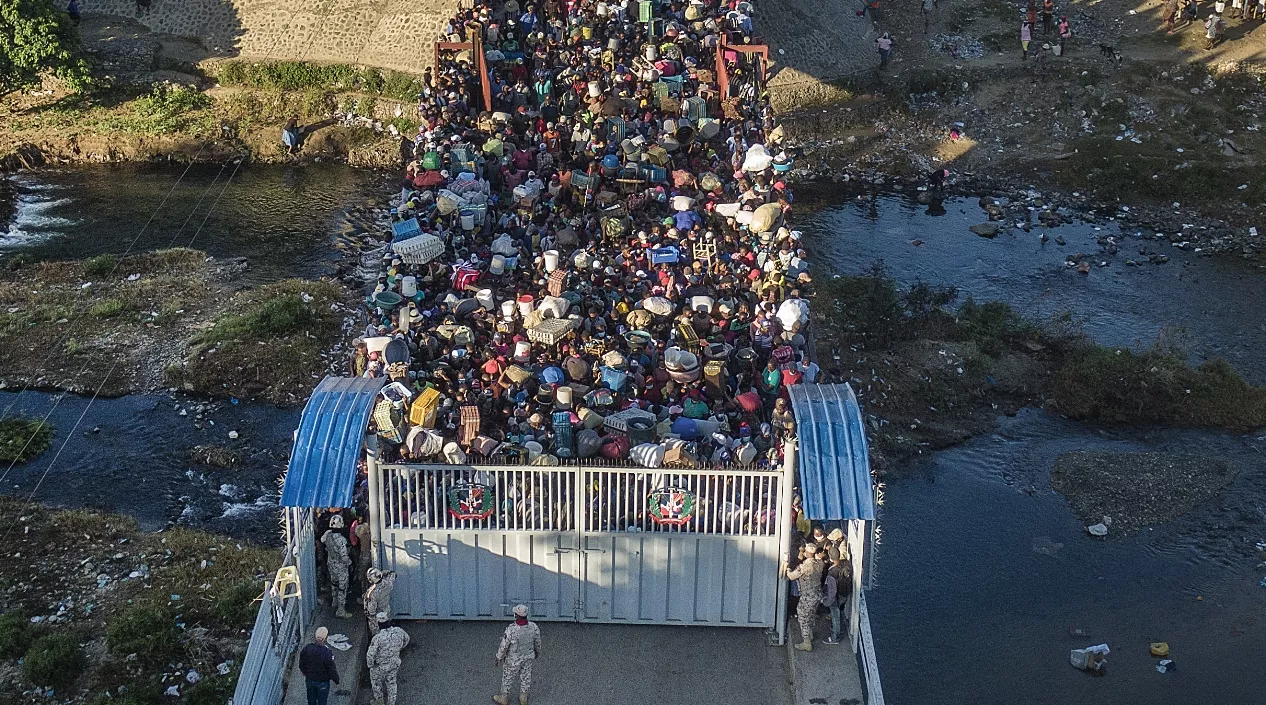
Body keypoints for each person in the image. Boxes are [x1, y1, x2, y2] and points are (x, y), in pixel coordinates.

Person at [495, 604, 542, 705]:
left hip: (513, 659)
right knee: (526, 677)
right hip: (528, 657)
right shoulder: (534, 627)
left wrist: (499, 657)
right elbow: (537, 642)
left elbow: (504, 646)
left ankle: (504, 698)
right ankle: (523, 698)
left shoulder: (511, 630)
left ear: (516, 616)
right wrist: (537, 652)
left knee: (507, 677)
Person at [785, 543, 824, 651]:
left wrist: (787, 568)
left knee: (802, 616)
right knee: (811, 614)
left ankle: (806, 642)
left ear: (807, 552)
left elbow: (792, 576)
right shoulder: (820, 563)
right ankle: (810, 633)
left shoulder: (804, 566)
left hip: (808, 594)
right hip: (818, 593)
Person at [367, 613, 411, 705]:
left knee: (376, 683)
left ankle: (379, 701)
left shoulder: (377, 638)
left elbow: (370, 654)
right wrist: (400, 648)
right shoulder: (399, 631)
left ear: (378, 624)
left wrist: (370, 665)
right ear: (388, 621)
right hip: (394, 662)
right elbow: (407, 639)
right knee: (391, 682)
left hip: (380, 666)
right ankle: (391, 702)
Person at [321, 514, 353, 618]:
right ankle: (341, 610)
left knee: (334, 584)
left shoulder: (328, 536)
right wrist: (350, 562)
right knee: (342, 588)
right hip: (341, 566)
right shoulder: (341, 540)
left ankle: (334, 602)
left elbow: (322, 540)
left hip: (331, 564)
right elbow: (344, 556)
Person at [299, 627, 340, 705]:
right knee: (322, 701)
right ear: (325, 638)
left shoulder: (307, 648)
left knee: (311, 700)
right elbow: (331, 669)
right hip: (322, 682)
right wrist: (336, 680)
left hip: (310, 679)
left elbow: (302, 661)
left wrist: (304, 671)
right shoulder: (327, 653)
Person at [821, 548, 853, 645]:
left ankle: (835, 637)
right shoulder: (846, 564)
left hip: (836, 596)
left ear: (830, 557)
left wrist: (826, 601)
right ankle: (840, 629)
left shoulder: (832, 573)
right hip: (845, 593)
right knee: (841, 612)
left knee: (835, 616)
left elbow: (832, 590)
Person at [364, 567, 398, 637]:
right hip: (386, 609)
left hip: (377, 615)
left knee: (377, 634)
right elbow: (393, 574)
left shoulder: (372, 593)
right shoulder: (388, 582)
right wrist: (383, 572)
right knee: (387, 629)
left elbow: (371, 611)